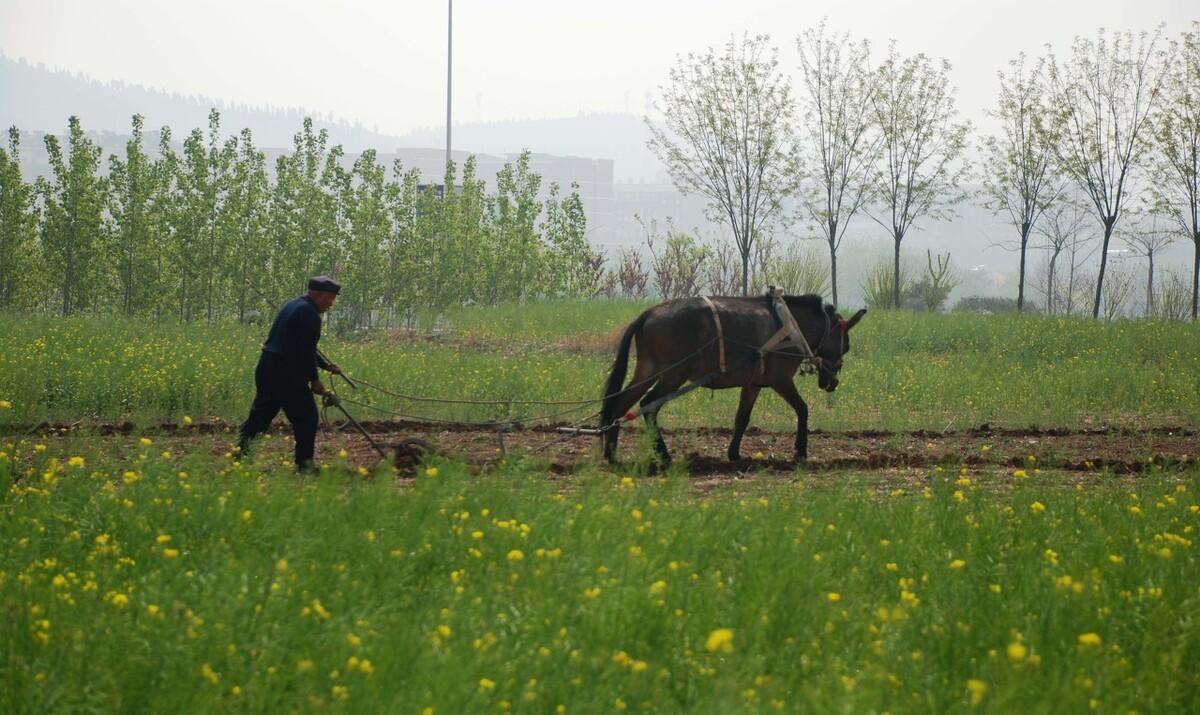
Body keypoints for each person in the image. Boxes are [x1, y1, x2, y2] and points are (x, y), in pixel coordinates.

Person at [238, 276, 343, 471]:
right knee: (307, 417)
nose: (330, 305)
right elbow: (304, 352)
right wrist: (315, 381)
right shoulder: (310, 315)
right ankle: (304, 465)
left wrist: (326, 365)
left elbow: (304, 347)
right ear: (319, 295)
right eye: (330, 299)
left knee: (260, 416)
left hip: (268, 366)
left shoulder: (293, 305)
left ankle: (241, 457)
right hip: (287, 373)